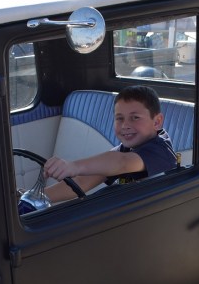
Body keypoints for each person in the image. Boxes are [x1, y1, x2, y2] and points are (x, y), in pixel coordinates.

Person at [42, 85, 177, 203]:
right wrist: (38, 197)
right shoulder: (125, 149)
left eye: (135, 117)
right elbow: (82, 182)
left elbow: (122, 162)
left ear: (157, 121)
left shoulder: (160, 150)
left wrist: (73, 166)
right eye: (119, 118)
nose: (125, 125)